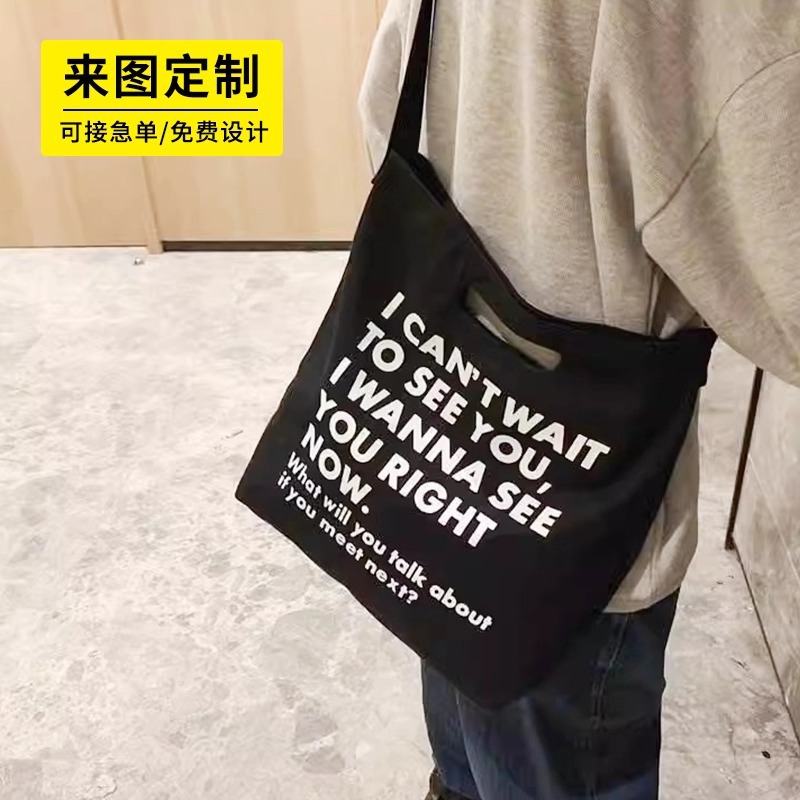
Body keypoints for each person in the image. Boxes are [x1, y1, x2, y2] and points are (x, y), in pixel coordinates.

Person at [357, 1, 800, 798]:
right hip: (577, 522)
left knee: (469, 729)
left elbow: (383, 102)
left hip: (443, 453)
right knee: (553, 744)